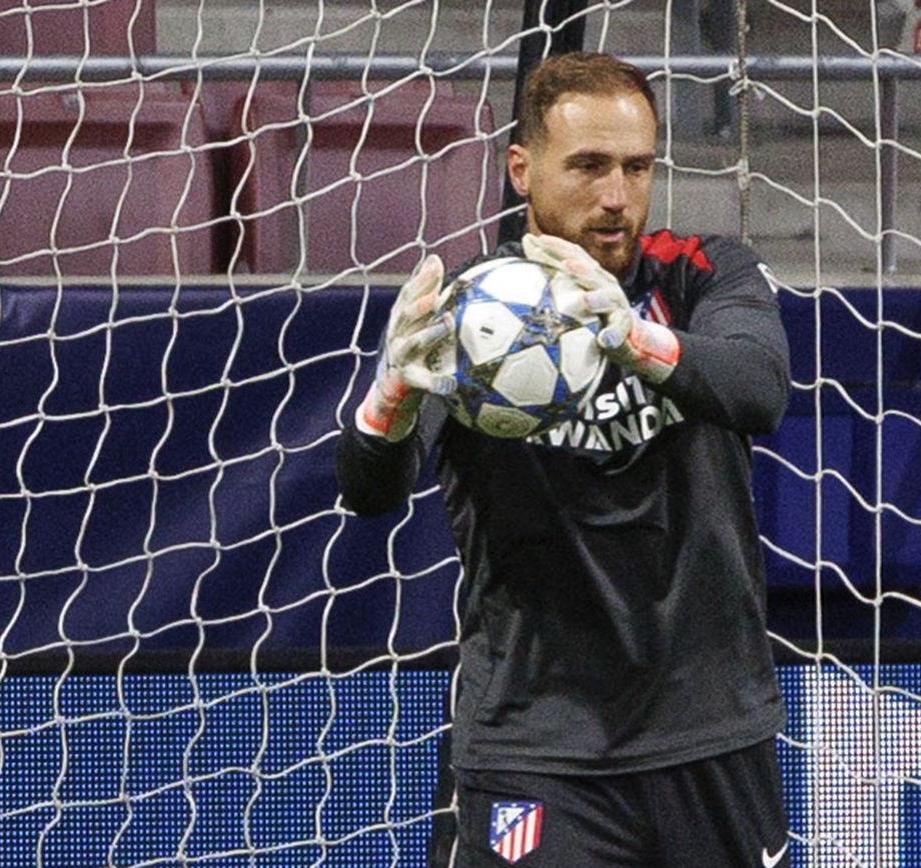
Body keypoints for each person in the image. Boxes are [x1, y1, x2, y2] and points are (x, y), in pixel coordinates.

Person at [335, 51, 792, 868]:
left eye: (636, 167)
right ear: (522, 170)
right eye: (587, 166)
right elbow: (369, 491)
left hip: (709, 735)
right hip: (537, 745)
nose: (616, 197)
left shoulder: (704, 273)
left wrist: (631, 338)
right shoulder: (473, 314)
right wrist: (391, 395)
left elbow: (758, 387)